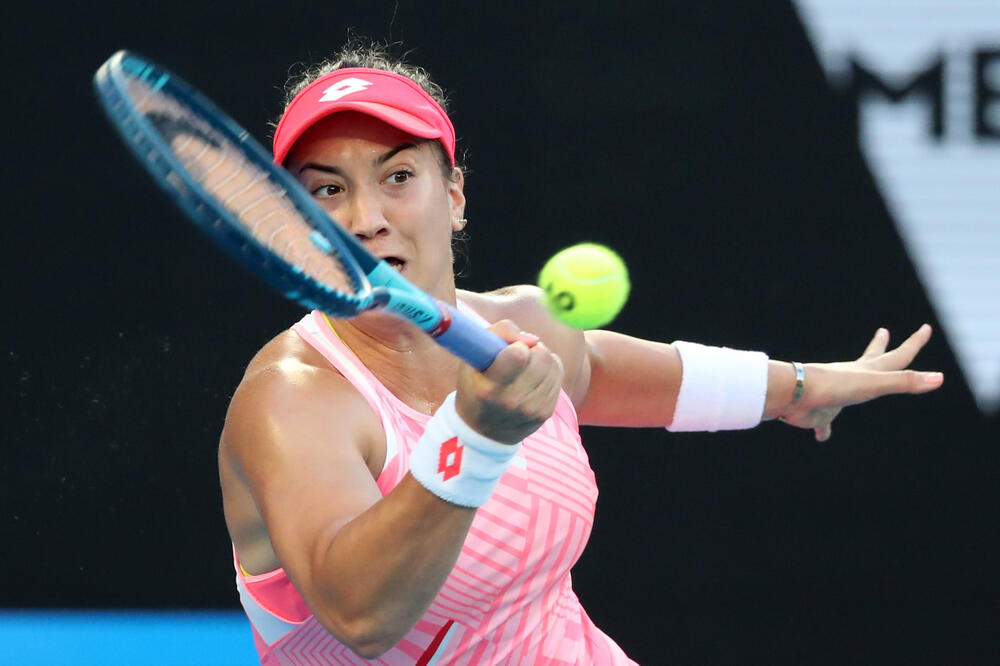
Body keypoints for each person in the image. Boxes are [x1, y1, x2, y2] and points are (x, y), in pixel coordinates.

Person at [218, 42, 944, 665]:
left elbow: (598, 371)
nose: (365, 219)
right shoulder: (291, 401)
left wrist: (798, 387)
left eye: (398, 176)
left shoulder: (526, 322)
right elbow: (362, 616)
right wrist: (474, 437)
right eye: (328, 190)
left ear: (456, 194)